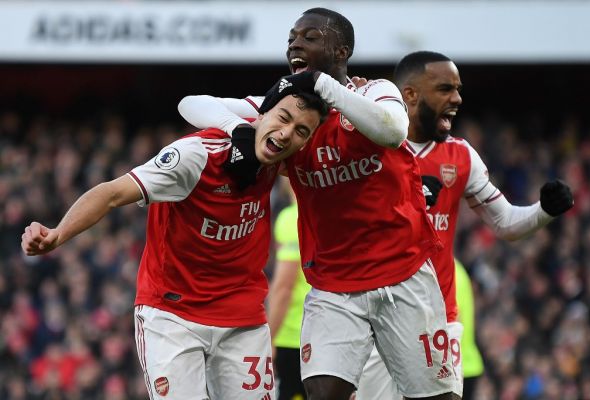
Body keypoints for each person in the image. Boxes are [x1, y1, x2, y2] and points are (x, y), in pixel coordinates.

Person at [178, 8, 458, 400]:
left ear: (341, 50)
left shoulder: (375, 92)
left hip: (404, 273)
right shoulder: (285, 112)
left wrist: (325, 87)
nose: (295, 43)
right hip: (333, 286)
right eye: (292, 37)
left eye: (310, 37)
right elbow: (192, 103)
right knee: (322, 393)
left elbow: (394, 131)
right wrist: (238, 129)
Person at [21, 77, 329, 400]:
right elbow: (112, 194)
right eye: (283, 119)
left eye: (301, 131)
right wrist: (58, 234)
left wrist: (359, 95)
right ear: (260, 114)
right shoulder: (194, 157)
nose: (286, 134)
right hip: (173, 317)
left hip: (241, 317)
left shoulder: (282, 154)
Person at [354, 50, 574, 399]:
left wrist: (543, 210)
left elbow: (505, 222)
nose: (456, 99)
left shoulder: (460, 155)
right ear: (409, 94)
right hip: (375, 317)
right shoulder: (366, 146)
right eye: (444, 89)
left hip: (438, 318)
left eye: (457, 89)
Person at [268, 179, 310, 400]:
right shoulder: (322, 216)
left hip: (291, 336)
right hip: (321, 331)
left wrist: (269, 338)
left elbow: (284, 287)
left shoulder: (291, 219)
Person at [454, 259, 484, 400]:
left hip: (459, 366)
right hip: (465, 364)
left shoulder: (451, 272)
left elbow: (454, 318)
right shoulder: (456, 269)